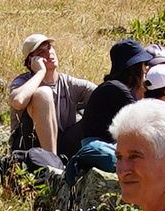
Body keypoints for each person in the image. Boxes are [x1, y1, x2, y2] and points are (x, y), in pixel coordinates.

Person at [64, 38, 151, 174]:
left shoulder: (113, 87)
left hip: (106, 145)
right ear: (134, 68)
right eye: (144, 64)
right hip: (102, 146)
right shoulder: (117, 89)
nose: (147, 68)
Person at [8, 34, 68, 159]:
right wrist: (40, 72)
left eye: (49, 47)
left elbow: (102, 95)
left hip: (62, 146)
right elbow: (18, 101)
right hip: (27, 148)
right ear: (31, 61)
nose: (49, 53)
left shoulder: (68, 83)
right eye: (41, 51)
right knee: (43, 94)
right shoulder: (22, 82)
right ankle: (52, 166)